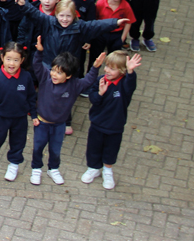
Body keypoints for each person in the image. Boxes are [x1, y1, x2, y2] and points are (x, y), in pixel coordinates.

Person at [30, 36, 102, 185]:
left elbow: (88, 80)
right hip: (42, 123)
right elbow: (37, 65)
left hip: (59, 125)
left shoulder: (75, 85)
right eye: (54, 70)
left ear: (68, 76)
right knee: (38, 147)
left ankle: (53, 169)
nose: (54, 75)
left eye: (59, 73)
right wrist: (39, 52)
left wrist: (95, 67)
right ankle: (36, 169)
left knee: (55, 149)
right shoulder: (45, 78)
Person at [82, 51, 141, 190]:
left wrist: (131, 72)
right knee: (93, 147)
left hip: (115, 126)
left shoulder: (125, 85)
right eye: (107, 66)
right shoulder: (101, 80)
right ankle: (93, 168)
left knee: (111, 149)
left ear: (122, 71)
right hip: (97, 124)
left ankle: (108, 171)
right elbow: (93, 99)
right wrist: (100, 93)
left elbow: (131, 84)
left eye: (112, 68)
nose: (107, 70)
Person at [0, 43, 37, 182]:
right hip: (1, 117)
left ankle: (14, 165)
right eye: (9, 59)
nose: (12, 63)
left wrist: (34, 115)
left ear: (22, 60)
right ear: (2, 58)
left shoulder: (26, 77)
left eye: (16, 60)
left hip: (20, 118)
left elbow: (31, 97)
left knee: (18, 142)